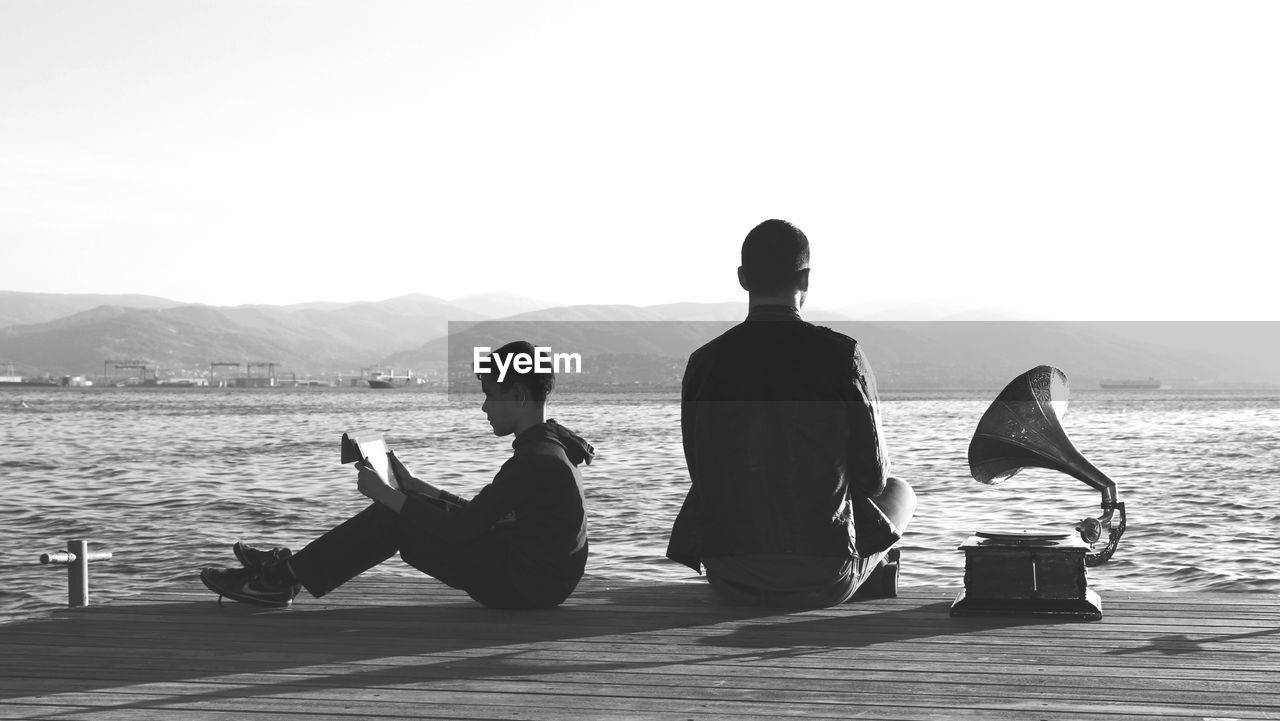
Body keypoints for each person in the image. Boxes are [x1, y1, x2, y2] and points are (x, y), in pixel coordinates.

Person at [201, 340, 593, 610]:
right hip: (535, 580)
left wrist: (386, 495)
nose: (484, 406)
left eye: (491, 394)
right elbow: (482, 518)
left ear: (520, 397)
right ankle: (287, 573)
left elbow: (464, 531)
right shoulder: (544, 451)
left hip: (525, 588)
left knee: (395, 518)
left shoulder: (536, 460)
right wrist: (414, 487)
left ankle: (279, 580)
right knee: (408, 506)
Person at [666, 219, 916, 607]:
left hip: (729, 576)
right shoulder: (841, 356)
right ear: (806, 278)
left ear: (743, 278)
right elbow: (873, 479)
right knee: (902, 491)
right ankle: (869, 574)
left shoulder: (704, 363)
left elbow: (701, 472)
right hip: (823, 577)